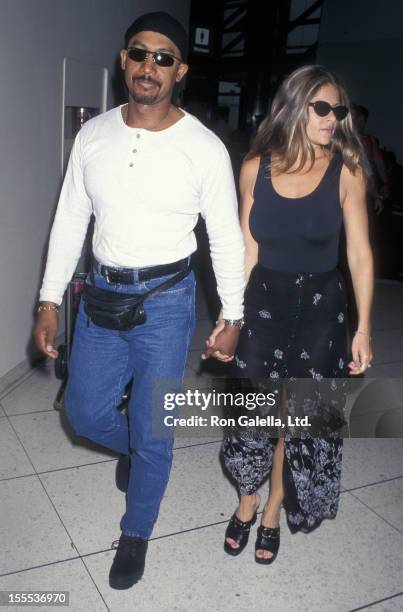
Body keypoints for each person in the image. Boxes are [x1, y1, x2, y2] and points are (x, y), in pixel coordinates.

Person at [33, 11, 245, 589]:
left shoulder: (203, 149)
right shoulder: (94, 135)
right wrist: (50, 300)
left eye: (163, 57)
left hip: (166, 302)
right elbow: (71, 218)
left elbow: (224, 235)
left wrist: (233, 315)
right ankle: (142, 450)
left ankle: (136, 532)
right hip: (101, 295)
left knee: (154, 433)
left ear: (180, 71)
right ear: (122, 60)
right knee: (82, 413)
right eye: (138, 53)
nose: (148, 66)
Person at [205, 65, 374, 564]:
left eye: (338, 110)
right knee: (251, 415)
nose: (332, 119)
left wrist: (363, 327)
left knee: (297, 422)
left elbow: (360, 254)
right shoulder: (257, 167)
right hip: (263, 304)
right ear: (294, 106)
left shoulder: (347, 170)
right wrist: (228, 317)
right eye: (321, 108)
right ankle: (247, 500)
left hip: (323, 310)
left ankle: (273, 510)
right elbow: (247, 247)